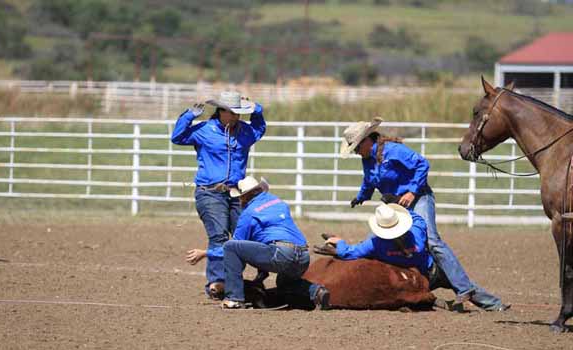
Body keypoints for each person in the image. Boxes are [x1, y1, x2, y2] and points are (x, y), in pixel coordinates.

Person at [340, 120, 509, 311]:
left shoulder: (393, 150)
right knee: (386, 243)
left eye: (355, 147)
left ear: (366, 141)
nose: (355, 152)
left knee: (432, 241)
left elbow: (422, 164)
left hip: (419, 198)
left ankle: (464, 289)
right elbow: (369, 181)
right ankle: (486, 301)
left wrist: (412, 190)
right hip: (396, 205)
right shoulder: (368, 160)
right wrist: (361, 196)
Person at [171, 91, 266, 300]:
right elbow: (177, 137)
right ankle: (217, 282)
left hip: (237, 193)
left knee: (246, 232)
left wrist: (257, 109)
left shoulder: (245, 132)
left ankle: (252, 272)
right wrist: (189, 115)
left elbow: (260, 128)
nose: (236, 117)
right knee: (219, 236)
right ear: (221, 111)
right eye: (232, 113)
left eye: (239, 113)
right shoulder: (204, 130)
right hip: (210, 192)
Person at [186, 176, 330, 310]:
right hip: (303, 256)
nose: (240, 201)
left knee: (231, 247)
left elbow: (235, 246)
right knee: (284, 282)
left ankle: (234, 298)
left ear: (246, 196)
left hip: (280, 253)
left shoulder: (248, 214)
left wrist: (205, 253)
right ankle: (317, 291)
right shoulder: (278, 202)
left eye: (241, 198)